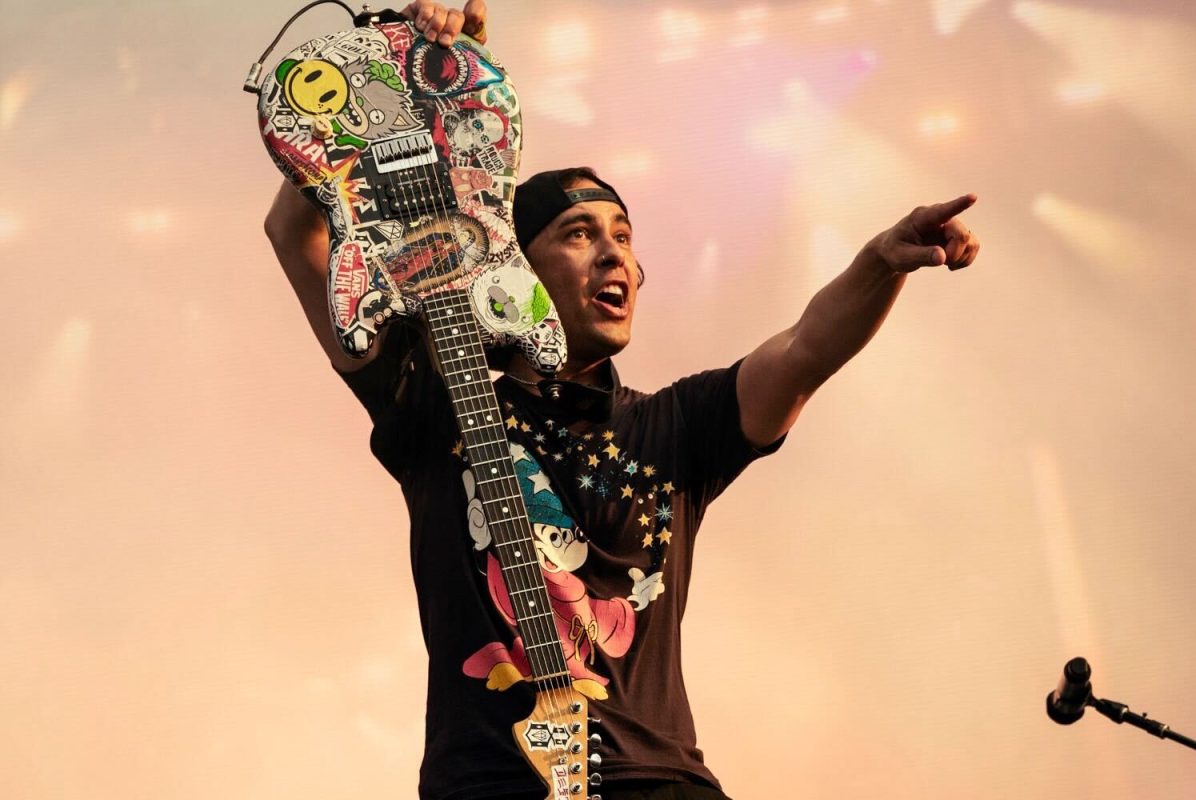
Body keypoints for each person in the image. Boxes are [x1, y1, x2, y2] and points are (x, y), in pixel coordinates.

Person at [263, 2, 981, 798]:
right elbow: (299, 235)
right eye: (577, 232)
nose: (614, 253)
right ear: (513, 265)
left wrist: (882, 262)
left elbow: (807, 349)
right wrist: (389, 59)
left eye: (624, 235)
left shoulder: (674, 426)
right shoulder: (438, 398)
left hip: (661, 784)